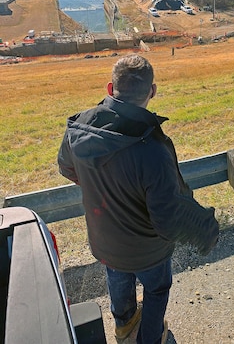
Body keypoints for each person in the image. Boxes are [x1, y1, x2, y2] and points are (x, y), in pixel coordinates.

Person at [57, 54, 219, 344]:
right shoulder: (153, 149)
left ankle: (123, 327)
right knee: (157, 290)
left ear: (110, 89)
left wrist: (103, 187)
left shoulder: (77, 130)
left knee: (117, 277)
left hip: (105, 240)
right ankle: (150, 338)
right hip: (148, 250)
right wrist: (207, 230)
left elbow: (67, 168)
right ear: (152, 92)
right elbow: (169, 216)